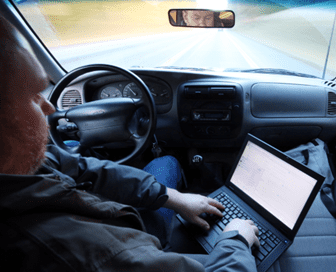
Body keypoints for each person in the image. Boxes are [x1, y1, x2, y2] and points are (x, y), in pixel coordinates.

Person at [0, 16, 259, 271]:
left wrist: (174, 197)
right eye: (34, 96)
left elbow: (87, 168)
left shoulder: (21, 168)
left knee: (165, 162)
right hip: (135, 250)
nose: (50, 106)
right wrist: (236, 239)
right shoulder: (83, 255)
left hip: (118, 224)